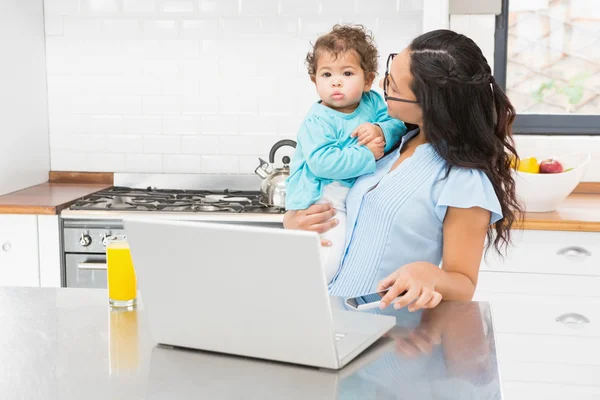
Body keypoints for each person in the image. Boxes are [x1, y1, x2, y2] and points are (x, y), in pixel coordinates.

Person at [284, 29, 521, 311]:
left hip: (384, 331)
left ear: (430, 106)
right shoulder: (389, 146)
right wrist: (295, 222)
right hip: (332, 315)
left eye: (393, 87)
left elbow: (464, 284)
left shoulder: (462, 179)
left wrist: (429, 274)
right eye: (389, 74)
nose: (381, 85)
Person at [285, 24, 407, 284]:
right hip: (322, 199)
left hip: (348, 195)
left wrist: (380, 130)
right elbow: (321, 163)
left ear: (368, 80)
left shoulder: (373, 103)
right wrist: (367, 156)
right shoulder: (317, 120)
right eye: (326, 74)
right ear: (314, 80)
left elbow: (398, 124)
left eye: (347, 73)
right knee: (327, 259)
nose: (336, 81)